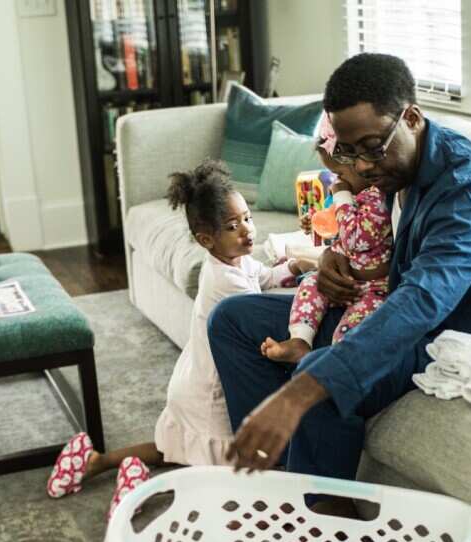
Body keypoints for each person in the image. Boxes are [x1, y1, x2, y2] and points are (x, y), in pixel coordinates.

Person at [209, 53, 471, 480]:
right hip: (386, 302)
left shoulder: (469, 193)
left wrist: (298, 394)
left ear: (411, 118)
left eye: (372, 148)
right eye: (349, 152)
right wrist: (332, 256)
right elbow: (373, 241)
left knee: (320, 375)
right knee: (232, 319)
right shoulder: (393, 166)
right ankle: (275, 472)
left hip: (451, 333)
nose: (361, 166)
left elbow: (422, 300)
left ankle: (321, 511)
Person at [46, 160, 307, 514]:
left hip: (194, 374)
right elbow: (256, 318)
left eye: (247, 218)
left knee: (172, 448)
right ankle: (139, 489)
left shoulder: (236, 262)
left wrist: (294, 266)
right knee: (220, 467)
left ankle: (98, 460)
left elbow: (265, 276)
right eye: (233, 226)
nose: (247, 230)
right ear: (206, 239)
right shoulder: (224, 281)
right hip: (214, 388)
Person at [261, 131, 394, 363]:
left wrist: (341, 196)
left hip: (374, 289)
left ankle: (336, 363)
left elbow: (356, 238)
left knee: (348, 332)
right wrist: (316, 221)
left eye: (339, 174)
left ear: (360, 166)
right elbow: (336, 227)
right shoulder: (354, 195)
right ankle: (300, 340)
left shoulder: (376, 199)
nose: (335, 182)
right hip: (345, 279)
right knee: (310, 284)